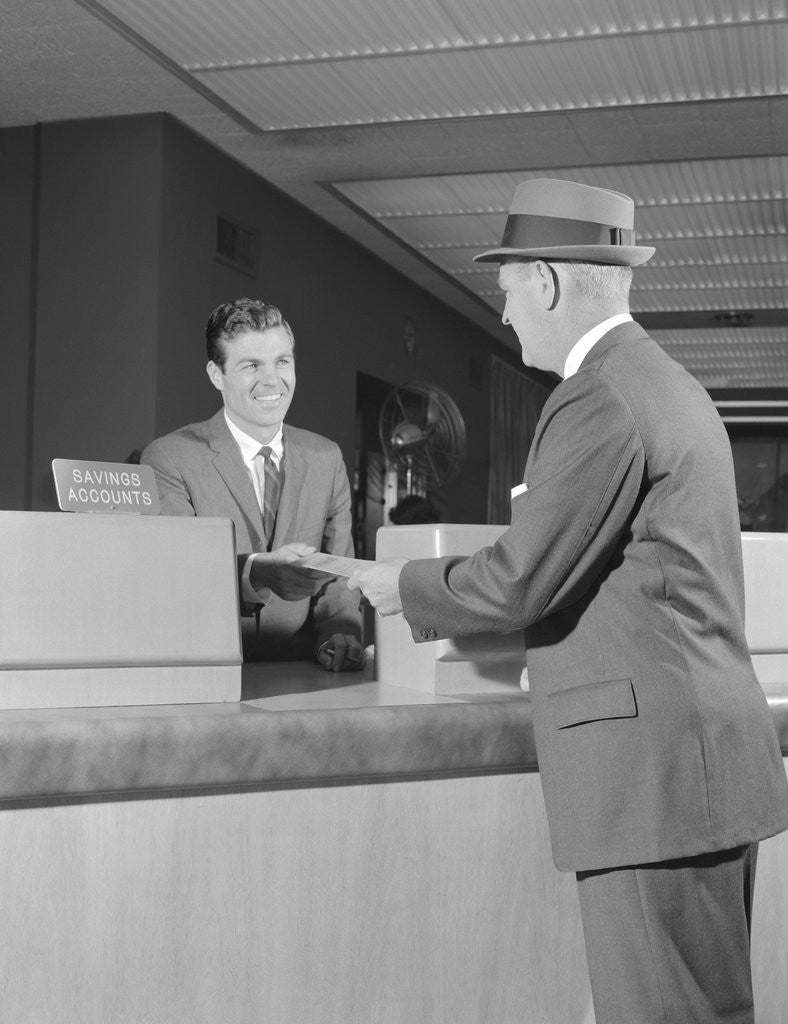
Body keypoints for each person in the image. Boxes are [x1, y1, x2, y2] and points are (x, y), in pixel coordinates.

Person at [348, 179, 788, 1022]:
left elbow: (521, 577)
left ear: (546, 281)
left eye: (507, 288)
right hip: (700, 770)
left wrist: (395, 584)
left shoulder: (599, 397)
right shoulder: (669, 385)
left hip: (655, 783)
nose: (506, 313)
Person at [142, 298, 363, 672]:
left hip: (305, 677)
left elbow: (339, 577)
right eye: (251, 366)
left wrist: (339, 633)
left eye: (282, 361)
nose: (272, 379)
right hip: (206, 673)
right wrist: (257, 570)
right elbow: (176, 575)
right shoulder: (169, 458)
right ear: (217, 375)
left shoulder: (326, 457)